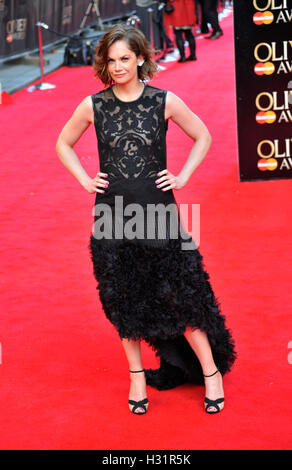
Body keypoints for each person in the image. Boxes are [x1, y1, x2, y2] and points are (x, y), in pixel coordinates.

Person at [56, 24, 236, 415]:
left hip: (159, 213)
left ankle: (210, 373)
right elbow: (63, 143)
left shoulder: (164, 101)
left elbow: (202, 135)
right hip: (111, 216)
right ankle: (136, 376)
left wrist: (183, 175)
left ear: (140, 58)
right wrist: (86, 179)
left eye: (125, 58)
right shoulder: (94, 105)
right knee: (123, 302)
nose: (118, 66)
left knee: (184, 297)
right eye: (111, 60)